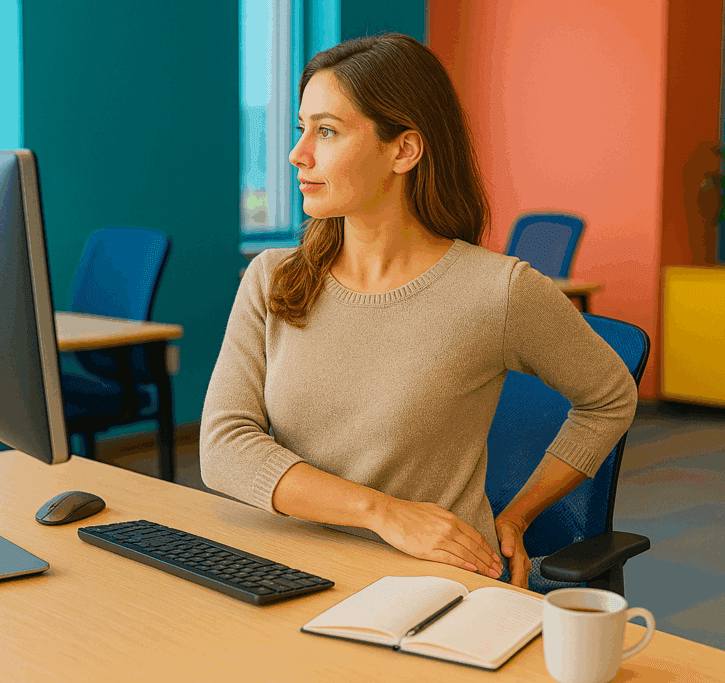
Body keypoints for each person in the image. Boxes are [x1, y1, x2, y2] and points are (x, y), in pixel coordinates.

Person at [200, 33, 637, 589]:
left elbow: (609, 398)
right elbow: (222, 447)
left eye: (327, 131)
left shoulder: (498, 290)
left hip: (428, 583)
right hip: (281, 566)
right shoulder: (273, 278)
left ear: (403, 150)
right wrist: (381, 512)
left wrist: (519, 514)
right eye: (301, 128)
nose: (298, 153)